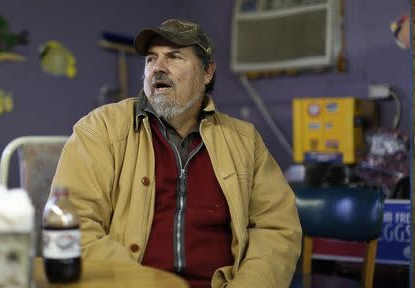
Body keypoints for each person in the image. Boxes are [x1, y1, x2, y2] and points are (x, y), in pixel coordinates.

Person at [51, 18, 302, 288]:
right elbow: (75, 225)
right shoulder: (100, 129)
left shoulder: (245, 141)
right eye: (150, 59)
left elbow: (277, 229)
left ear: (207, 72)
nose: (157, 68)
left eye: (173, 57)